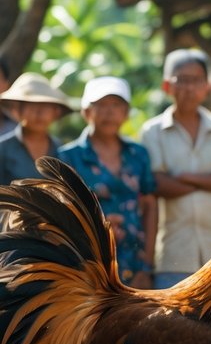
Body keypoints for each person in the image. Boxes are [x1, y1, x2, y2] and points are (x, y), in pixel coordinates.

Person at [139, 48, 211, 289]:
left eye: (196, 80)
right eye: (182, 80)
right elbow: (157, 184)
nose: (189, 88)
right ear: (167, 86)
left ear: (207, 86)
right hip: (174, 253)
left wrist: (183, 177)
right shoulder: (152, 131)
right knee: (174, 325)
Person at [57, 77, 157, 288]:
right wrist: (98, 224)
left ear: (126, 113)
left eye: (116, 105)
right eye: (101, 105)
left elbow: (150, 204)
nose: (109, 112)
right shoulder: (68, 157)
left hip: (135, 261)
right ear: (86, 112)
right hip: (87, 263)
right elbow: (62, 211)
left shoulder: (138, 154)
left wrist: (147, 263)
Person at [0, 72, 77, 235]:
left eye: (46, 107)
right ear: (17, 109)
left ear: (55, 112)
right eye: (31, 106)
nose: (39, 113)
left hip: (55, 242)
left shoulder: (63, 153)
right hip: (7, 241)